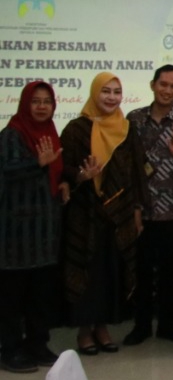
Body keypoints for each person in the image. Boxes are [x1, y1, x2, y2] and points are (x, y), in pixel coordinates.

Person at [61, 73, 147, 356]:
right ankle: (84, 331)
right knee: (87, 270)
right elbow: (63, 169)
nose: (111, 97)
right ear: (94, 93)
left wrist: (137, 210)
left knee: (111, 271)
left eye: (116, 92)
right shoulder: (76, 128)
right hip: (85, 213)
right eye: (105, 91)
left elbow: (136, 172)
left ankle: (103, 327)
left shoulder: (126, 129)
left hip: (119, 215)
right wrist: (80, 176)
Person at [124, 64, 173, 346]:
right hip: (141, 209)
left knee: (170, 270)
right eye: (163, 84)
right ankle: (141, 325)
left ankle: (168, 324)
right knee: (142, 270)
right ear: (152, 85)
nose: (167, 90)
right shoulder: (133, 120)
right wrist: (134, 207)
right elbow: (127, 166)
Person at [0, 82, 64, 372]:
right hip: (16, 234)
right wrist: (36, 163)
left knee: (40, 295)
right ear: (25, 104)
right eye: (35, 101)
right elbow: (7, 170)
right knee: (12, 297)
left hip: (44, 232)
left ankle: (37, 343)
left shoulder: (49, 132)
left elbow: (55, 172)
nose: (41, 106)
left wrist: (65, 181)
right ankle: (10, 349)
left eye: (47, 101)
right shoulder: (11, 134)